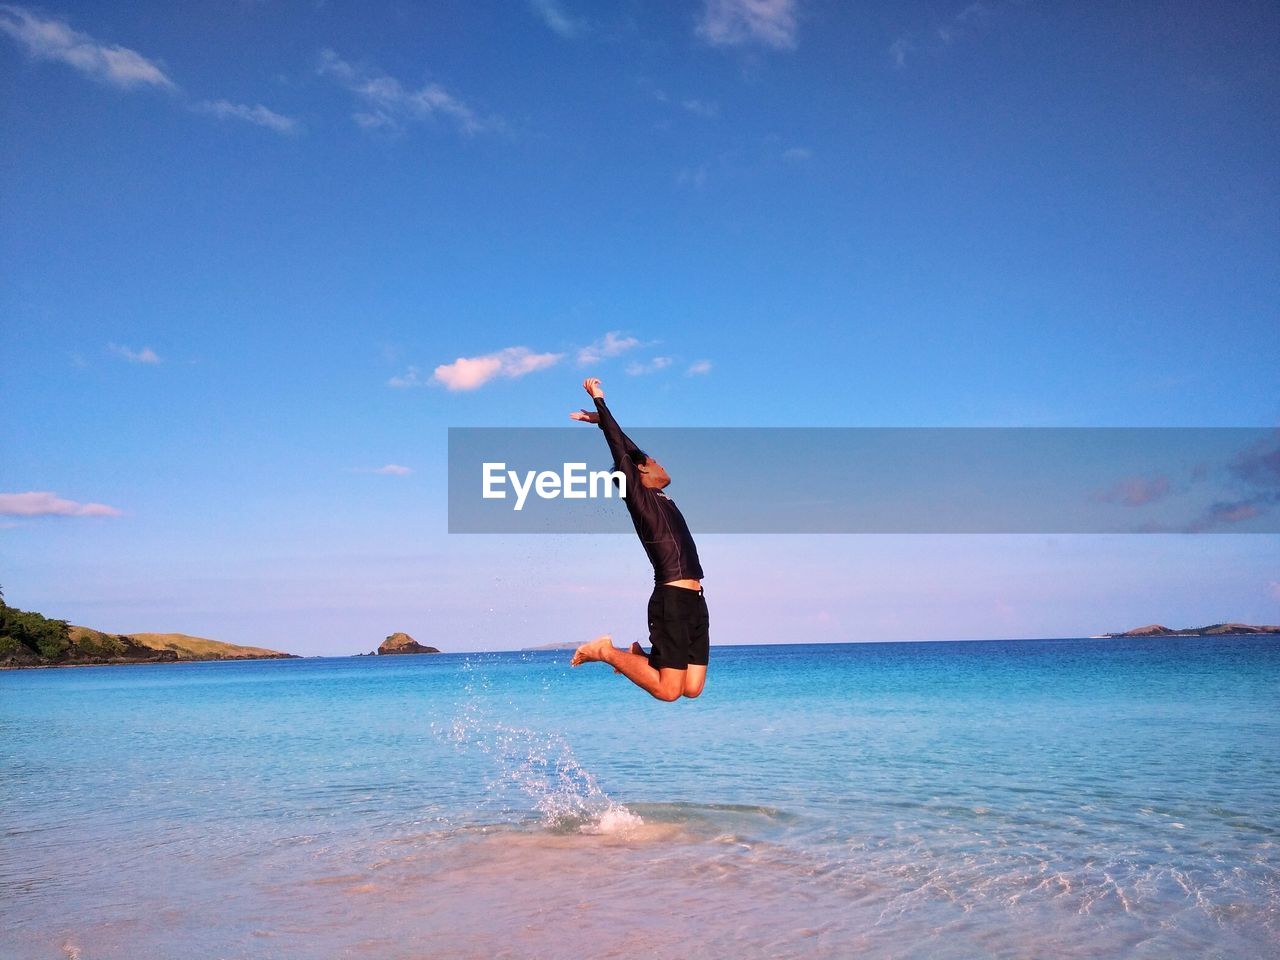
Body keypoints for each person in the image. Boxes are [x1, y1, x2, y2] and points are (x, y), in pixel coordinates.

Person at [568, 378, 708, 701]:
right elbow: (622, 451)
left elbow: (630, 448)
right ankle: (605, 652)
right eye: (652, 462)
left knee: (692, 688)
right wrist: (601, 402)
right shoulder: (640, 498)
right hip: (671, 597)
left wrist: (601, 422)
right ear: (641, 474)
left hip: (695, 600)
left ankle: (637, 657)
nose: (659, 463)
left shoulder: (660, 494)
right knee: (669, 691)